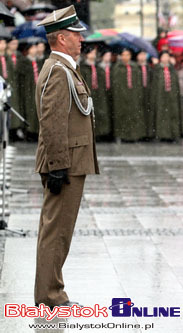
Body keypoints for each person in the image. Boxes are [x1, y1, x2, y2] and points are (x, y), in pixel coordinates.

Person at [34, 5, 99, 309]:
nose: (80, 39)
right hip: (65, 162)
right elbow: (52, 121)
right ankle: (49, 296)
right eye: (75, 34)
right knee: (56, 232)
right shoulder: (58, 71)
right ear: (61, 38)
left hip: (70, 160)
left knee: (60, 232)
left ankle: (54, 290)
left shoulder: (63, 68)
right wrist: (58, 166)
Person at [112, 48, 147, 142]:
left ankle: (134, 135)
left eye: (127, 55)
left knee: (134, 115)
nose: (125, 57)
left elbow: (138, 83)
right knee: (122, 115)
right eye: (124, 55)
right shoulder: (117, 67)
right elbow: (115, 84)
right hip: (121, 96)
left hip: (134, 96)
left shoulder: (135, 67)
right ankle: (122, 136)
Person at [80, 46, 112, 140]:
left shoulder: (98, 68)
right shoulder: (83, 68)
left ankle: (100, 133)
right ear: (87, 55)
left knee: (100, 112)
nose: (93, 55)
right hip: (89, 93)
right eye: (91, 53)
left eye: (94, 53)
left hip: (99, 94)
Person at [151, 51, 182, 141]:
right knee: (161, 115)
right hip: (161, 96)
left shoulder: (172, 69)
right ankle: (162, 134)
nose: (165, 58)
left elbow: (175, 83)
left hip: (171, 96)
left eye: (167, 56)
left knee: (173, 114)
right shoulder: (157, 69)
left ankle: (173, 134)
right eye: (163, 56)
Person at [17, 39, 43, 141]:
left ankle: (36, 131)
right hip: (28, 89)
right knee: (28, 109)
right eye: (32, 48)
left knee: (37, 110)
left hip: (37, 89)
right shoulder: (24, 61)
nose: (35, 49)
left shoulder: (38, 61)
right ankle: (29, 132)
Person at [136, 50, 153, 140]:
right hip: (138, 92)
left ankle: (148, 133)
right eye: (141, 55)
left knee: (148, 112)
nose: (142, 57)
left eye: (144, 55)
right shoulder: (135, 67)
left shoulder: (149, 68)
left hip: (147, 92)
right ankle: (140, 133)